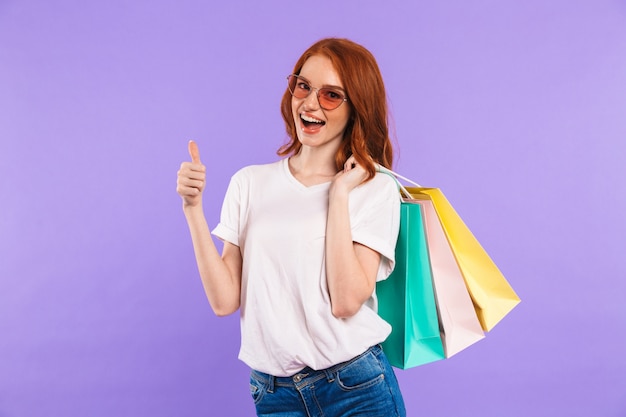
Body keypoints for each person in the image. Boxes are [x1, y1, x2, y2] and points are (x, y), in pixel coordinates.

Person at [177, 37, 406, 417]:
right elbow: (223, 301)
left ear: (356, 108)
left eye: (331, 95)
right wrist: (193, 208)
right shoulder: (249, 183)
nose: (311, 103)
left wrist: (338, 196)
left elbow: (347, 300)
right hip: (274, 395)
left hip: (356, 386)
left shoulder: (373, 188)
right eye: (303, 86)